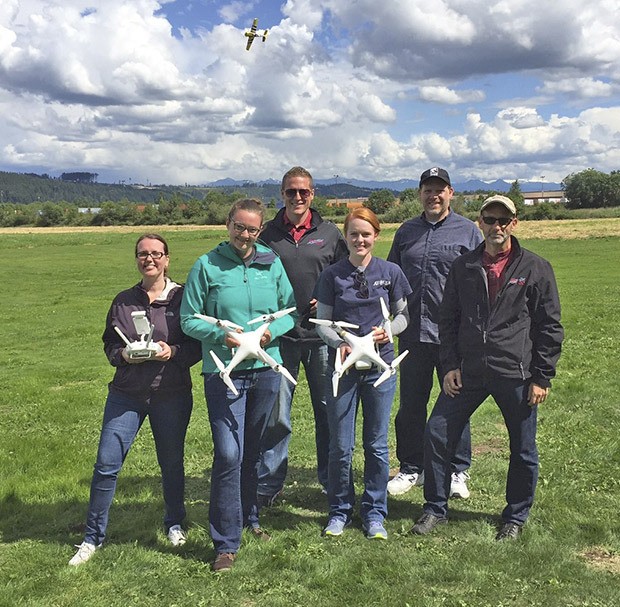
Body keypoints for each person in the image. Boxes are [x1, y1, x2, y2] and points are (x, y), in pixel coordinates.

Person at [411, 195, 563, 540]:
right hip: (470, 370)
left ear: (514, 223)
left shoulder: (535, 268)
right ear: (479, 222)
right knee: (437, 432)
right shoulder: (463, 266)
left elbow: (549, 326)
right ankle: (435, 508)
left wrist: (541, 376)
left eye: (503, 220)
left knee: (523, 448)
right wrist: (450, 364)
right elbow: (447, 319)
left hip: (516, 373)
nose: (496, 226)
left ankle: (515, 516)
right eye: (489, 219)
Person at [69, 234, 201, 566]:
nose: (150, 259)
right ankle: (92, 538)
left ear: (167, 259)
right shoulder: (124, 300)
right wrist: (124, 355)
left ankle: (174, 523)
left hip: (170, 394)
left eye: (156, 254)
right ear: (137, 260)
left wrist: (174, 352)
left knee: (171, 464)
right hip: (126, 395)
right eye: (143, 254)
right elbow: (109, 344)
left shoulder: (185, 298)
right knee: (106, 465)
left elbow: (200, 345)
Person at [180, 199, 296, 572]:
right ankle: (225, 543)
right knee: (229, 453)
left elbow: (289, 313)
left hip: (264, 369)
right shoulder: (206, 265)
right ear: (227, 224)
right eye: (239, 227)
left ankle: (251, 519)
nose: (245, 235)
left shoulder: (270, 262)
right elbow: (188, 320)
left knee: (253, 449)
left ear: (260, 231)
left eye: (252, 229)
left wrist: (267, 333)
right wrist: (221, 334)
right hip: (224, 371)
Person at [314, 208, 412, 540]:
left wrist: (390, 332)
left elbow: (403, 316)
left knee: (376, 444)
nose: (360, 240)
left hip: (381, 370)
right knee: (340, 446)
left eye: (366, 234)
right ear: (346, 236)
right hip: (342, 370)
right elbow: (323, 324)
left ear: (376, 236)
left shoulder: (392, 271)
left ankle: (374, 513)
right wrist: (338, 342)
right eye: (354, 234)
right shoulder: (332, 276)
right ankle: (339, 510)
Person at [387, 167, 483, 499]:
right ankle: (411, 467)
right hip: (412, 332)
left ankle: (457, 470)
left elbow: (481, 281)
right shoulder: (406, 232)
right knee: (411, 403)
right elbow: (391, 279)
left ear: (451, 193)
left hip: (452, 337)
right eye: (428, 189)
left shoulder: (469, 232)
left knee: (456, 401)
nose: (434, 195)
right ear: (420, 194)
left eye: (440, 189)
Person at [257, 166, 348, 504]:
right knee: (276, 414)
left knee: (329, 411)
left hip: (323, 337)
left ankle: (331, 480)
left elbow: (346, 277)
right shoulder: (267, 235)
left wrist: (329, 300)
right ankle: (269, 483)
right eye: (291, 192)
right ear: (281, 194)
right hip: (281, 339)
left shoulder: (330, 233)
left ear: (313, 194)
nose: (297, 197)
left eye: (304, 192)